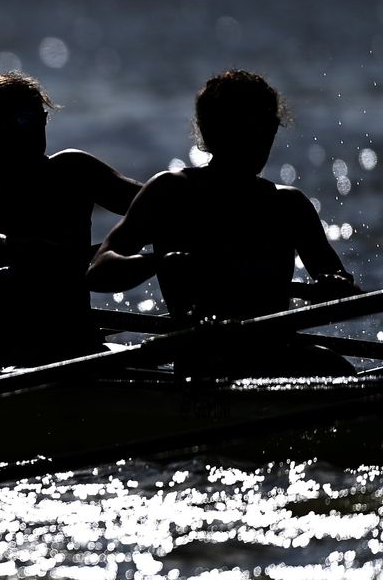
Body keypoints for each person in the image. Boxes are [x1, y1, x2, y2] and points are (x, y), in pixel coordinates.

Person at [87, 68, 361, 376]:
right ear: (212, 132)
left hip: (275, 357)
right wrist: (158, 262)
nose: (261, 140)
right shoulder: (171, 192)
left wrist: (335, 289)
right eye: (249, 128)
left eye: (268, 126)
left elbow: (349, 297)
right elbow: (99, 271)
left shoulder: (289, 205)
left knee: (335, 365)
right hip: (203, 361)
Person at [0, 71, 142, 365]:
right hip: (6, 349)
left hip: (80, 343)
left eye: (37, 117)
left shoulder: (74, 170)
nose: (31, 128)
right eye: (17, 121)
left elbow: (158, 206)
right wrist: (95, 257)